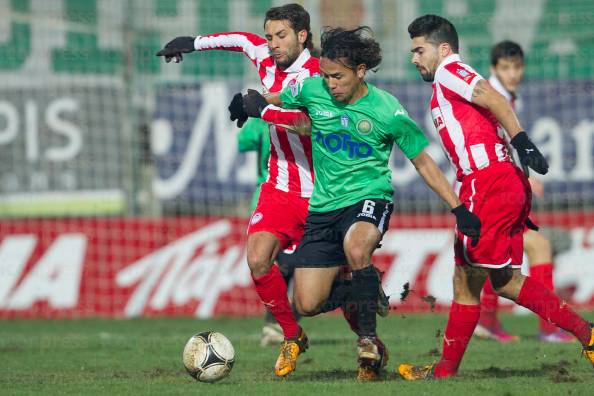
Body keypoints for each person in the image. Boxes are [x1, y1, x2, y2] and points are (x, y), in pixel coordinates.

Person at [238, 26, 482, 380]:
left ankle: (367, 341)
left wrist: (458, 207)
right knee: (307, 303)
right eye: (325, 75)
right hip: (322, 208)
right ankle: (362, 290)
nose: (330, 83)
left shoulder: (387, 109)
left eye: (337, 76)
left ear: (360, 71)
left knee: (357, 247)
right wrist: (253, 102)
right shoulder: (312, 88)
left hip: (369, 198)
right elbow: (278, 97)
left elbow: (423, 162)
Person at [398, 14, 594, 380]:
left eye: (418, 50)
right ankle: (587, 335)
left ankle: (443, 373)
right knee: (500, 280)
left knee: (470, 280)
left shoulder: (448, 70)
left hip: (487, 182)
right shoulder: (446, 80)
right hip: (500, 182)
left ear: (442, 49)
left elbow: (489, 95)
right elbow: (492, 105)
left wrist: (521, 139)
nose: (414, 58)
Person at [157, 3, 319, 377]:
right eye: (270, 36)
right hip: (279, 185)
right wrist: (190, 42)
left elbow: (306, 124)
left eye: (282, 37)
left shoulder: (316, 75)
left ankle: (367, 341)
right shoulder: (263, 53)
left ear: (302, 36)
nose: (273, 44)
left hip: (324, 191)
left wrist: (260, 108)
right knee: (258, 259)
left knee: (322, 292)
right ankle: (292, 336)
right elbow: (239, 40)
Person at [474, 41, 573, 343]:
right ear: (494, 69)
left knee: (494, 261)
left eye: (517, 67)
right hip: (487, 190)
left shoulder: (503, 96)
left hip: (488, 191)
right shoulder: (493, 97)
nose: (513, 73)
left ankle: (487, 322)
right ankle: (549, 329)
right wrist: (521, 178)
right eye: (506, 67)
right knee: (537, 248)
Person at [236, 117, 302, 346]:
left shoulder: (261, 119)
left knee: (293, 265)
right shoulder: (294, 111)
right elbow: (242, 142)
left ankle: (281, 323)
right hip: (272, 197)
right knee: (279, 263)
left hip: (289, 197)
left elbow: (243, 142)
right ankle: (276, 323)